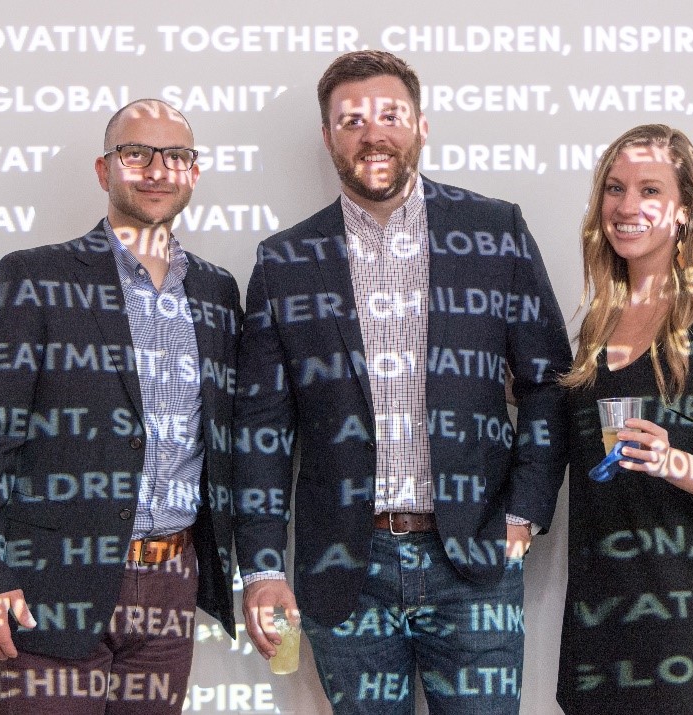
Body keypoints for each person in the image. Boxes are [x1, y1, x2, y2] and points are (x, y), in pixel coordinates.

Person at [232, 50, 571, 713]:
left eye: (391, 114)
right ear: (329, 136)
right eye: (351, 119)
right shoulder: (284, 263)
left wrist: (522, 514)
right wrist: (264, 567)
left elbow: (548, 381)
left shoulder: (494, 233)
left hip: (471, 558)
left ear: (421, 126)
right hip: (344, 570)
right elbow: (261, 432)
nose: (372, 132)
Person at [0, 98, 239, 713]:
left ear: (193, 172)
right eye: (137, 153)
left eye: (175, 156)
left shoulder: (216, 290)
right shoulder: (37, 278)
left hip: (171, 584)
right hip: (55, 582)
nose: (157, 170)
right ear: (106, 171)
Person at [557, 124, 693, 714]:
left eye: (650, 190)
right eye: (615, 188)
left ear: (685, 211)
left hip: (687, 620)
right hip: (600, 615)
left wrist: (673, 460)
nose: (627, 206)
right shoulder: (595, 328)